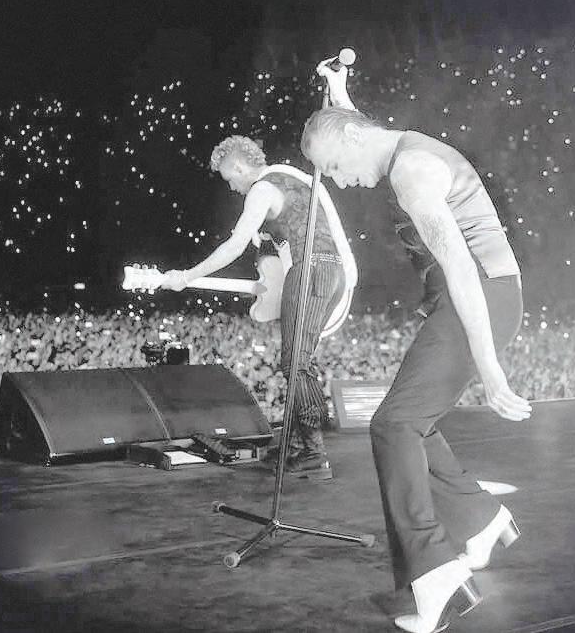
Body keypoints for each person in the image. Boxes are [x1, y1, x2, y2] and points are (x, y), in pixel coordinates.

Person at [307, 62, 532, 633]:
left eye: (332, 168)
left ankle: (434, 573)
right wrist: (337, 90)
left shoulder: (412, 172)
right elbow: (352, 125)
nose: (338, 182)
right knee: (414, 421)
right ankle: (480, 519)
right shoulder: (393, 145)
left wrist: (490, 367)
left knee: (394, 425)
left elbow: (460, 267)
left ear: (350, 140)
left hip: (477, 298)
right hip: (486, 295)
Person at [161, 135, 356, 480]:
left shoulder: (263, 189)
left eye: (229, 178)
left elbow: (234, 245)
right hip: (327, 270)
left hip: (311, 269)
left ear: (238, 166)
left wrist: (187, 276)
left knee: (296, 362)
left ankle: (314, 452)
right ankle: (295, 447)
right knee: (298, 359)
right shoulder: (290, 180)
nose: (232, 187)